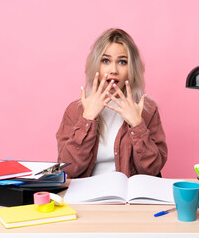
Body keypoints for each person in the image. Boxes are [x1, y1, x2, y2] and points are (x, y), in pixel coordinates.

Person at [56, 28, 167, 178]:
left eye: (122, 62)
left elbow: (152, 169)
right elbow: (68, 169)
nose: (113, 70)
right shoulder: (75, 110)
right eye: (106, 60)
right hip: (87, 196)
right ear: (96, 65)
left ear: (131, 68)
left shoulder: (147, 110)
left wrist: (137, 124)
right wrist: (87, 119)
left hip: (129, 198)